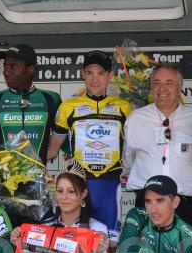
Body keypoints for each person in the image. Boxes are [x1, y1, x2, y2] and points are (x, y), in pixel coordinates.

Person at [47, 50, 133, 240]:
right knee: (74, 241)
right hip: (79, 184)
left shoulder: (124, 107)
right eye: (90, 73)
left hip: (109, 184)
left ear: (110, 75)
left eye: (101, 73)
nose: (95, 79)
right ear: (83, 74)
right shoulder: (69, 106)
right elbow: (52, 149)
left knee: (108, 245)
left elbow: (135, 146)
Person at [123, 63, 192, 230]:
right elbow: (128, 160)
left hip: (183, 205)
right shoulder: (136, 119)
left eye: (169, 83)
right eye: (157, 83)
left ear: (180, 87)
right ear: (151, 87)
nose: (162, 88)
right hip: (146, 204)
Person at [0, 44, 61, 162]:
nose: (6, 72)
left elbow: (64, 134)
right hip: (5, 177)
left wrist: (48, 154)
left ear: (31, 69)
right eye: (5, 66)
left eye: (13, 66)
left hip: (39, 176)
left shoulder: (51, 99)